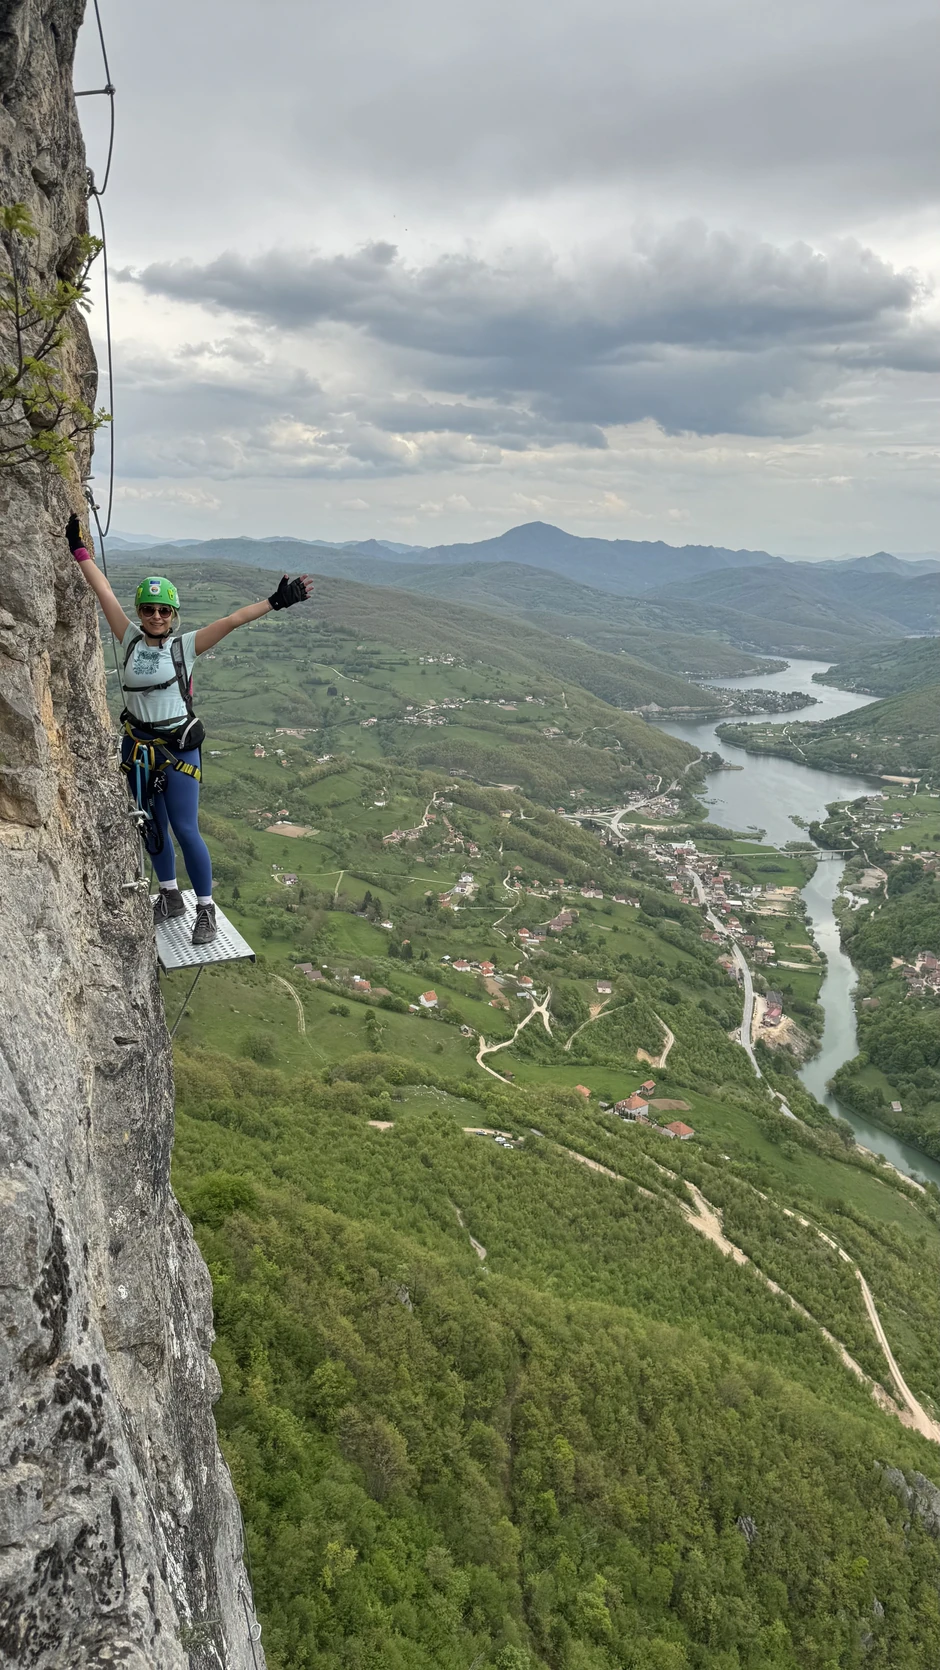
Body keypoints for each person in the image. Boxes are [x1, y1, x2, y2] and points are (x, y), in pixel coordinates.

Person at [67, 513, 312, 944]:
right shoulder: (126, 638)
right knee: (150, 824)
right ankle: (169, 895)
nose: (156, 615)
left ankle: (205, 909)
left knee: (185, 828)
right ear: (140, 611)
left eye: (164, 610)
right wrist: (79, 550)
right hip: (137, 746)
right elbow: (102, 590)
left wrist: (276, 603)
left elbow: (233, 620)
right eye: (148, 608)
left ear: (174, 614)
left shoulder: (185, 647)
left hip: (178, 750)